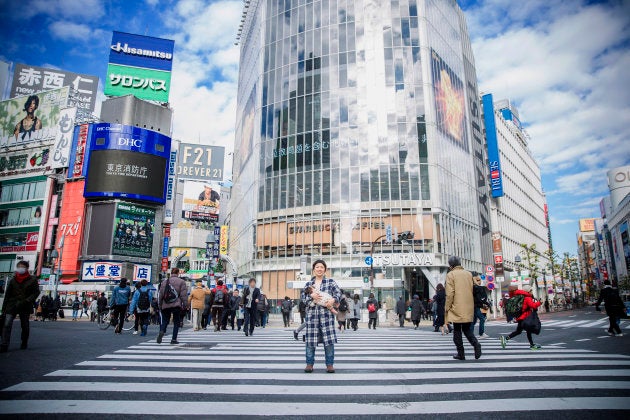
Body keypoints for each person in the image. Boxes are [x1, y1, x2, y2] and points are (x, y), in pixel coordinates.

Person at [302, 260, 341, 373]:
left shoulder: (331, 282)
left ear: (325, 270)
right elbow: (303, 300)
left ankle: (329, 364)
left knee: (329, 342)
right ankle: (309, 364)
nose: (319, 269)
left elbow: (338, 293)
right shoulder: (308, 285)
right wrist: (311, 297)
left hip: (326, 316)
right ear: (314, 269)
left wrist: (333, 299)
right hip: (312, 317)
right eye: (317, 267)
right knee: (310, 342)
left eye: (322, 267)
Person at [445, 256, 482, 360]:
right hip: (469, 305)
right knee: (467, 329)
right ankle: (476, 344)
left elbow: (450, 293)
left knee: (457, 330)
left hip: (456, 306)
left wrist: (447, 307)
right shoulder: (468, 274)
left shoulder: (450, 275)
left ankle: (461, 353)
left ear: (451, 265)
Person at [1, 261, 39, 352]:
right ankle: (4, 344)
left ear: (26, 268)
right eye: (19, 267)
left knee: (25, 325)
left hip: (25, 305)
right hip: (12, 305)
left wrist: (28, 300)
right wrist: (4, 309)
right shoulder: (13, 280)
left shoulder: (32, 279)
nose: (20, 268)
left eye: (22, 267)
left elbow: (36, 292)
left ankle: (24, 341)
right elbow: (7, 295)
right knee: (6, 325)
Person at [500, 285, 543, 350]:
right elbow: (533, 305)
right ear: (528, 291)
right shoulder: (527, 297)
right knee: (528, 331)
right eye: (531, 290)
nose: (532, 292)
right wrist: (540, 302)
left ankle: (506, 339)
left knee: (519, 331)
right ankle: (532, 345)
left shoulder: (521, 296)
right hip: (525, 317)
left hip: (521, 317)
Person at [157, 268, 188, 344]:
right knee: (176, 322)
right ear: (178, 273)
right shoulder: (181, 282)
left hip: (166, 303)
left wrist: (160, 305)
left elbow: (160, 295)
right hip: (176, 304)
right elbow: (183, 295)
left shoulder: (164, 282)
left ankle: (162, 330)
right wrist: (186, 305)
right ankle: (174, 339)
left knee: (165, 320)